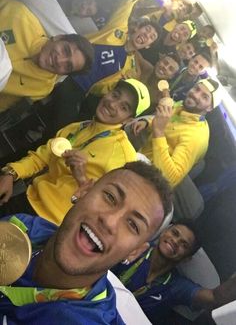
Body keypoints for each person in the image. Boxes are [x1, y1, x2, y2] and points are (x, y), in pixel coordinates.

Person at [0, 161, 173, 324]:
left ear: (134, 252)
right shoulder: (23, 227)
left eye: (133, 225)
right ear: (83, 191)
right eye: (110, 197)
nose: (109, 221)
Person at [0, 79, 151, 225]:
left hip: (52, 224)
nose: (112, 104)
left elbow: (110, 209)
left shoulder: (124, 156)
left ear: (128, 120)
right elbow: (42, 156)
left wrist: (82, 179)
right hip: (28, 198)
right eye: (115, 95)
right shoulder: (77, 127)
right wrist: (11, 173)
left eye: (124, 107)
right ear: (107, 92)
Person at [112, 221, 236, 325]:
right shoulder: (136, 246)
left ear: (186, 258)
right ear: (164, 231)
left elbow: (215, 297)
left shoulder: (176, 286)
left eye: (184, 244)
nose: (175, 241)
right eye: (175, 233)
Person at [0, 0, 94, 112]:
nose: (60, 60)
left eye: (68, 66)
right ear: (58, 37)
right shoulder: (19, 15)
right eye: (65, 50)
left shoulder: (42, 88)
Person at [129, 78, 221, 186]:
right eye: (196, 89)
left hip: (149, 178)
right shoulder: (181, 107)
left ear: (210, 107)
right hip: (142, 156)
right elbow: (165, 119)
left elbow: (170, 179)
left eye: (204, 97)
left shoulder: (196, 136)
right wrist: (147, 122)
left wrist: (158, 132)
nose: (196, 95)